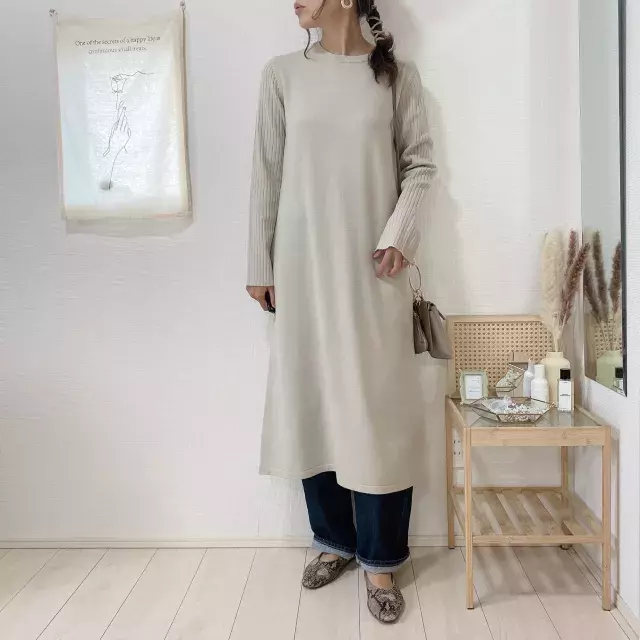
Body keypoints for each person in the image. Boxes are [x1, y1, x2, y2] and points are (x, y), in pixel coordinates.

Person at [246, 0, 436, 624]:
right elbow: (266, 172)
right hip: (301, 269)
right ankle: (333, 540)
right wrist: (259, 264)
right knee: (313, 400)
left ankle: (381, 557)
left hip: (374, 271)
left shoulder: (396, 77)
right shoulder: (281, 75)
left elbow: (419, 166)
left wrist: (400, 234)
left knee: (377, 411)